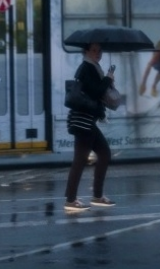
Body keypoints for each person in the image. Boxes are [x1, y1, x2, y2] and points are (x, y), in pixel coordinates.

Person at [64, 43, 115, 212]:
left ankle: (97, 196)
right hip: (83, 120)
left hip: (87, 120)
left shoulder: (93, 67)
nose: (98, 53)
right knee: (80, 160)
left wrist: (107, 79)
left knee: (104, 153)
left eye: (100, 50)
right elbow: (96, 92)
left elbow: (97, 91)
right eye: (94, 50)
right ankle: (71, 200)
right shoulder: (87, 68)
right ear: (86, 51)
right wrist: (108, 78)